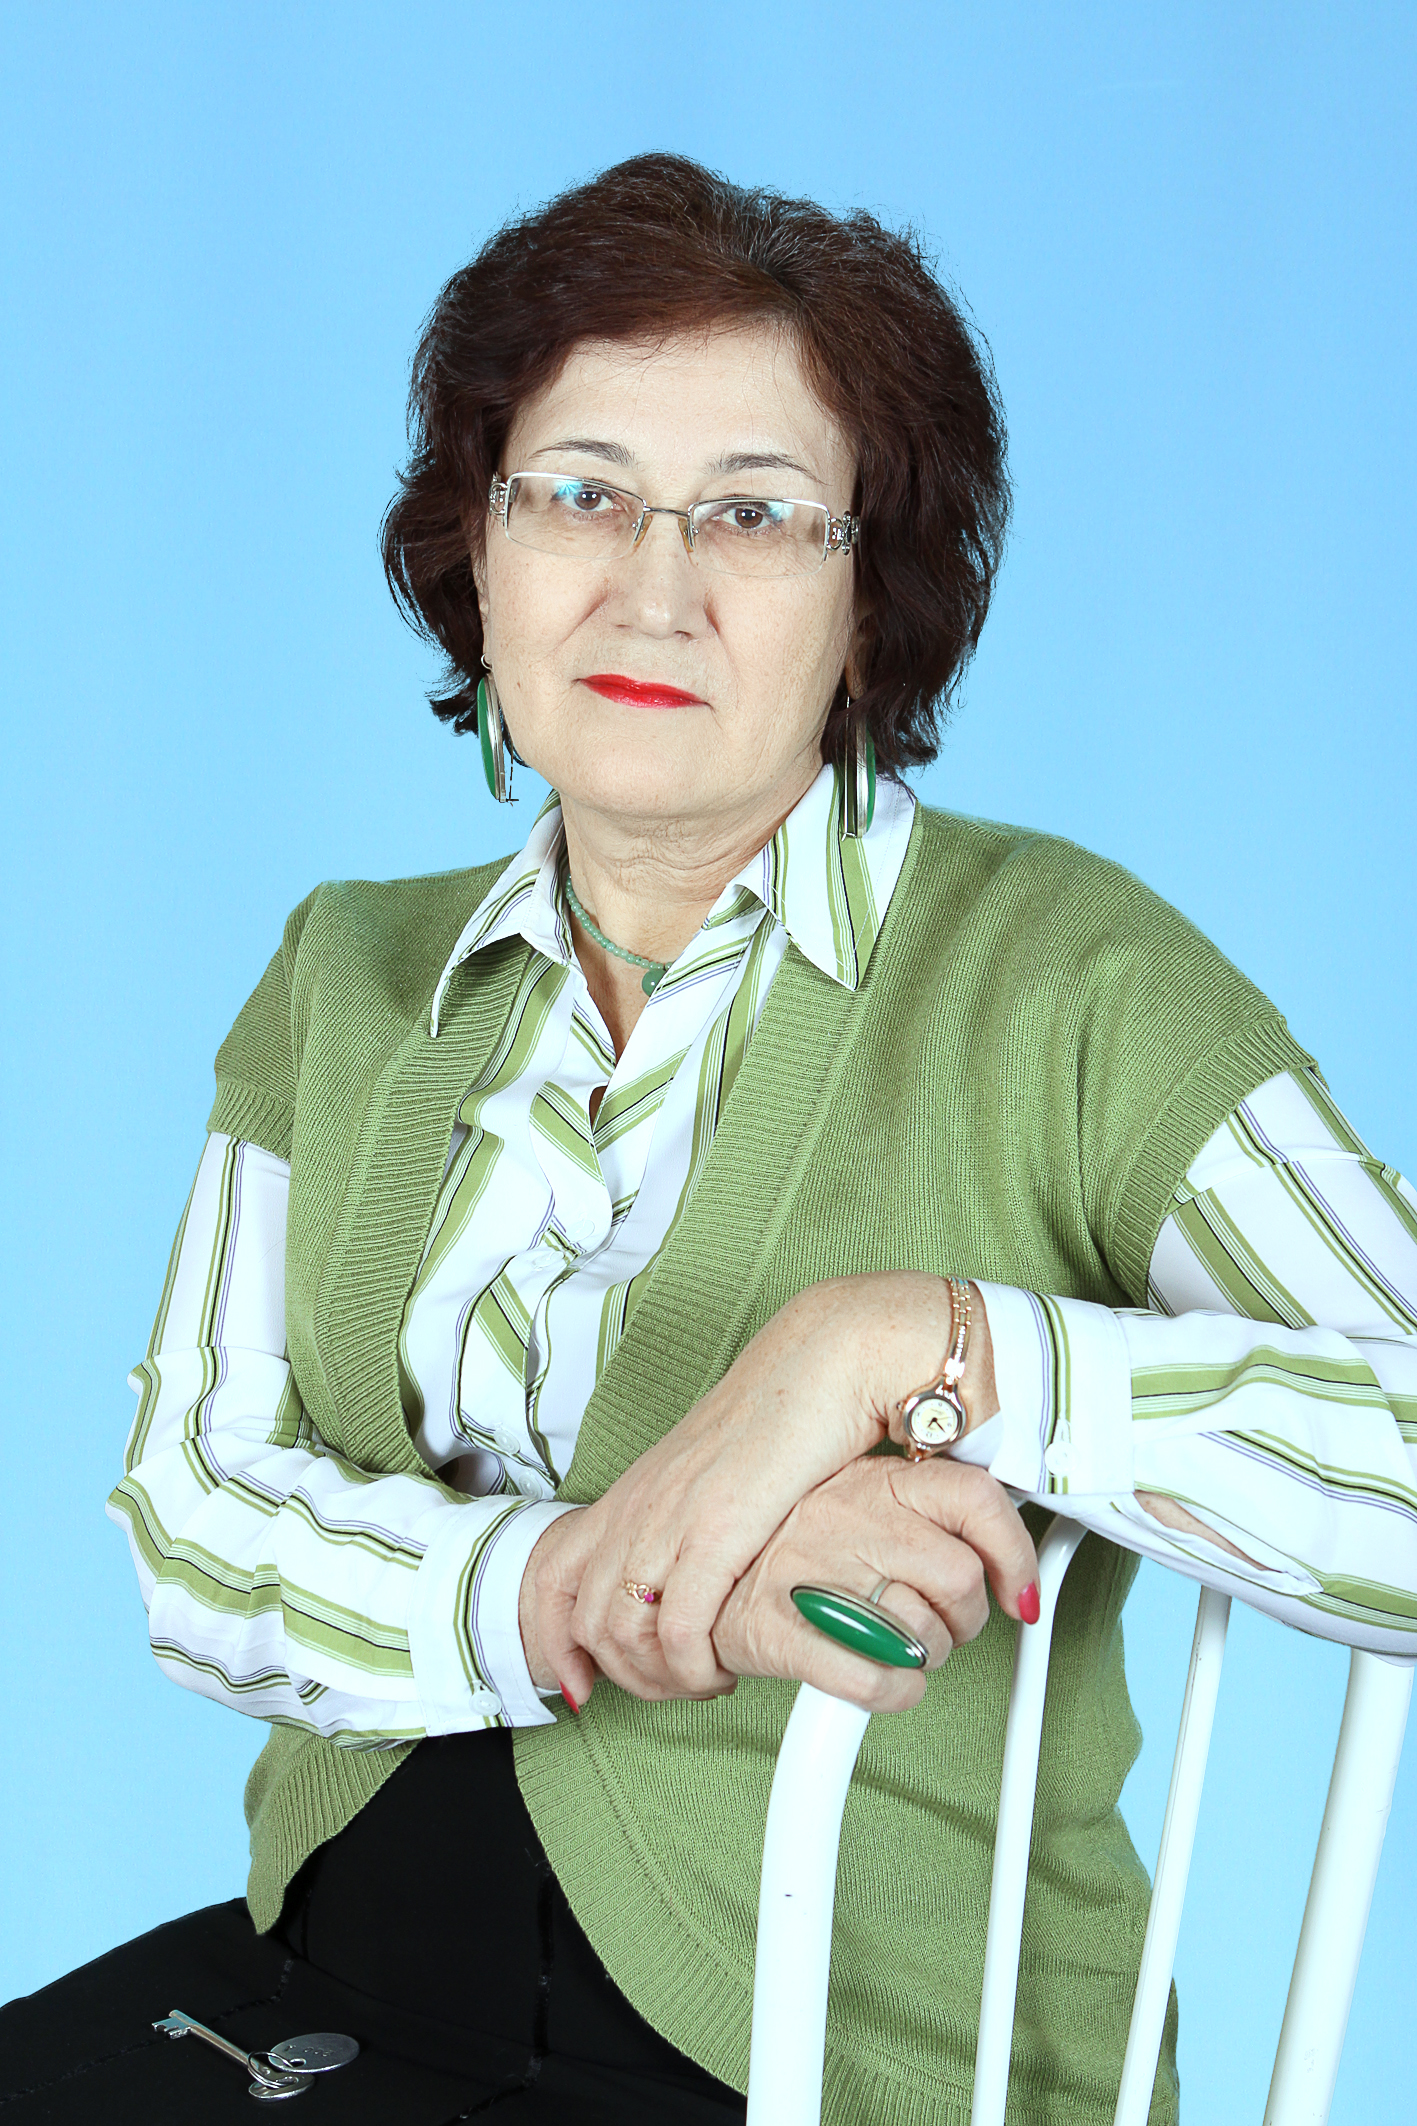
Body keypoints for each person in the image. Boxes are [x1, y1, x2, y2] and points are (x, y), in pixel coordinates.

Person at [3, 152, 1414, 2126]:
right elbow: (194, 1513)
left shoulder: (1075, 984)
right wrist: (586, 1583)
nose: (649, 588)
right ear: (476, 552)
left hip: (843, 2067)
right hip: (331, 1999)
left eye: (751, 513)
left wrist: (921, 1344)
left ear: (870, 599)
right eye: (578, 493)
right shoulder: (348, 974)